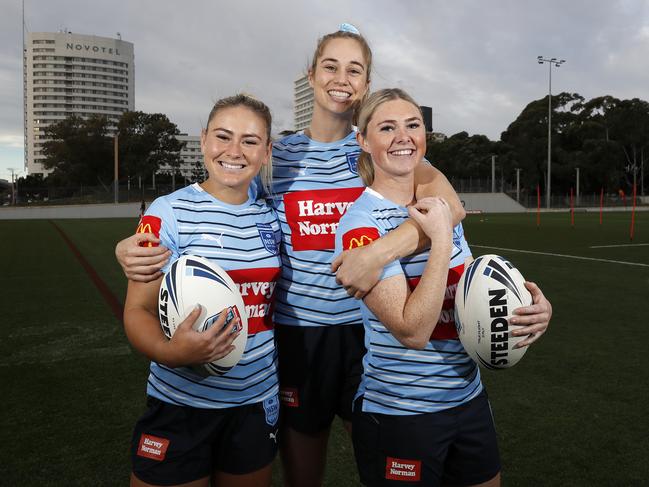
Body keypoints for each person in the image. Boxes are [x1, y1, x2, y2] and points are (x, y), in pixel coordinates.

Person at [116, 25, 466, 487]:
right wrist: (135, 243)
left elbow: (451, 209)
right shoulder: (277, 154)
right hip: (299, 337)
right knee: (303, 475)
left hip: (369, 330)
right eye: (330, 66)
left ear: (365, 83)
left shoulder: (376, 147)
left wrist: (377, 252)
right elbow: (225, 199)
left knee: (380, 462)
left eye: (354, 70)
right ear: (311, 74)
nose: (341, 78)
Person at [334, 88, 551, 486]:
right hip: (402, 412)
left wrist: (527, 310)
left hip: (468, 400)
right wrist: (439, 240)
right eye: (387, 127)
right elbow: (412, 330)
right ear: (363, 141)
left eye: (413, 125)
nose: (403, 136)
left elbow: (471, 295)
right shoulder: (358, 224)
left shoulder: (441, 204)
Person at [123, 94, 281, 487]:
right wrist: (170, 352)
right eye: (223, 137)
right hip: (180, 402)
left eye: (249, 140)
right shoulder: (168, 211)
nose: (234, 151)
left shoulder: (272, 214)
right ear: (203, 140)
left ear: (266, 151)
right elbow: (137, 311)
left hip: (256, 402)